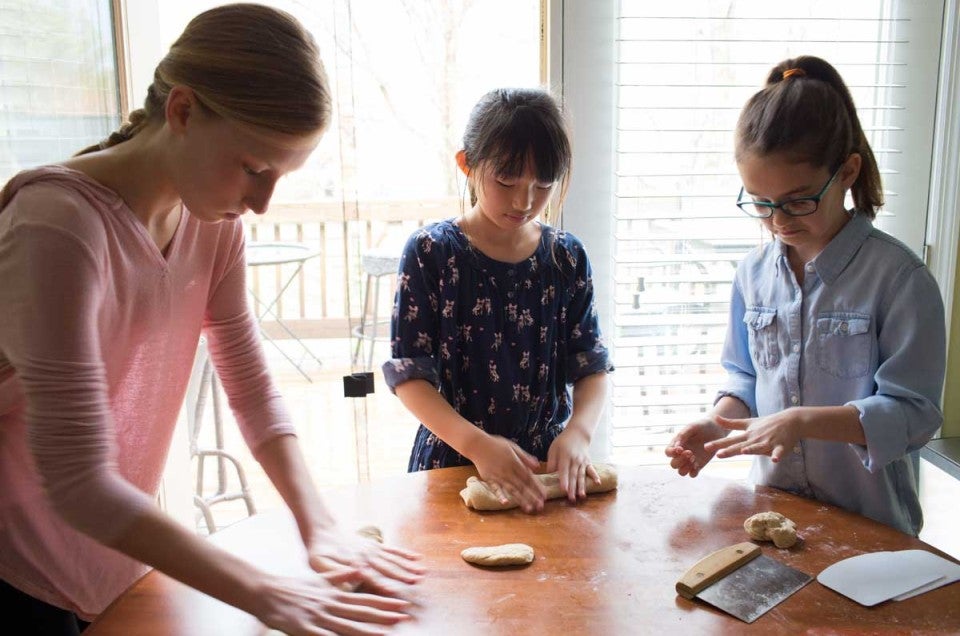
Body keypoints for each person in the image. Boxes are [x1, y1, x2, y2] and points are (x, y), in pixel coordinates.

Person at [0, 4, 423, 634]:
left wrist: (320, 527)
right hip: (17, 561)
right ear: (182, 111)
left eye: (280, 177)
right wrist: (265, 593)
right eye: (254, 169)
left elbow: (250, 387)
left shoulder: (210, 223)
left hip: (108, 551)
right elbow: (80, 480)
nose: (261, 203)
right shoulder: (56, 225)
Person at [664, 56, 946, 536]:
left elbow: (914, 415)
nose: (778, 221)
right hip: (776, 517)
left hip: (871, 531)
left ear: (848, 171)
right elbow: (746, 379)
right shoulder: (752, 274)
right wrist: (718, 426)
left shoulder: (900, 279)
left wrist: (800, 420)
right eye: (760, 203)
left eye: (798, 201)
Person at [383, 88, 613, 514]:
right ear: (466, 165)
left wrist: (579, 431)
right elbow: (410, 377)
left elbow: (591, 366)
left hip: (544, 467)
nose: (524, 201)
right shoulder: (431, 252)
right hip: (454, 462)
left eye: (543, 185)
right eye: (506, 181)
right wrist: (478, 445)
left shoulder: (566, 256)